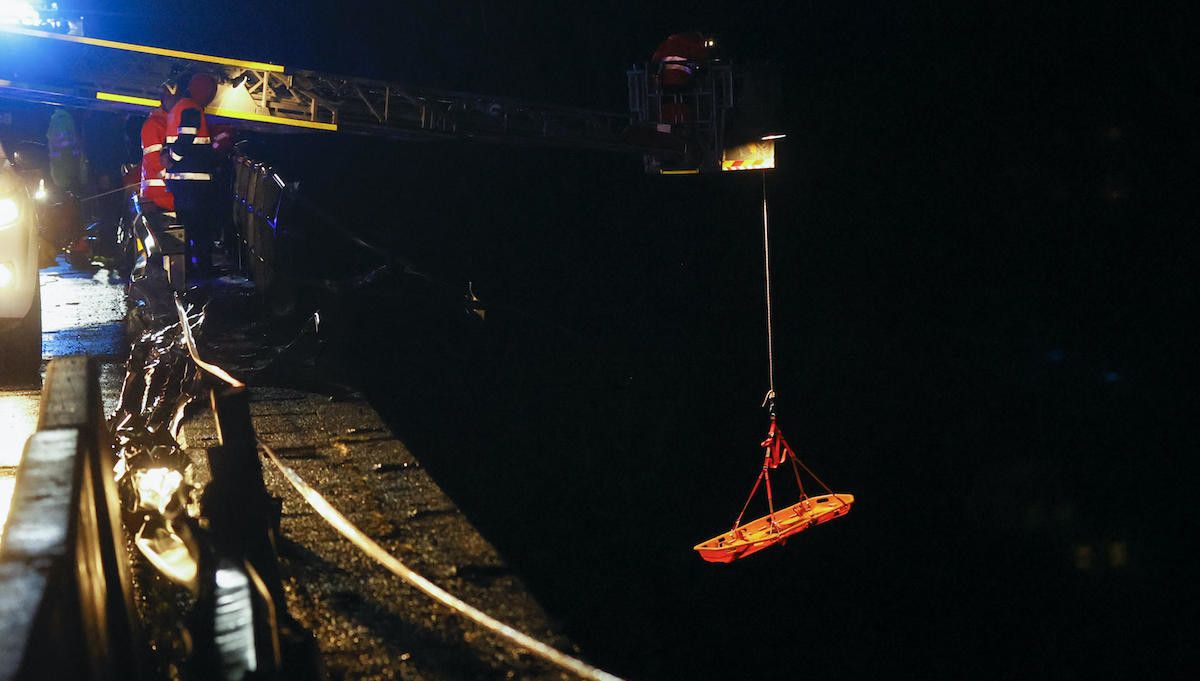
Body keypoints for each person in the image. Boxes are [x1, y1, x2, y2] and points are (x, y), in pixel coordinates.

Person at [163, 72, 225, 282]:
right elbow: (186, 139)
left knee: (189, 229)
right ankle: (202, 272)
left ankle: (190, 270)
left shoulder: (180, 107)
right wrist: (172, 157)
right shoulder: (191, 108)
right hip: (194, 183)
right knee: (200, 230)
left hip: (183, 183)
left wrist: (169, 157)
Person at [139, 80, 180, 212]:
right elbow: (154, 159)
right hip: (158, 198)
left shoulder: (172, 122)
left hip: (168, 196)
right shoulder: (153, 124)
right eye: (170, 98)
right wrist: (172, 181)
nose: (174, 102)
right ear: (163, 99)